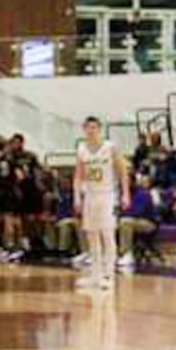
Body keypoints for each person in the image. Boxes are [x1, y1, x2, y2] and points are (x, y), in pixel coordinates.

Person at [74, 117, 130, 291]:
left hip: (107, 195)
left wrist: (125, 194)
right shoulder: (82, 148)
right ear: (84, 129)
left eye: (94, 127)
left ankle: (109, 275)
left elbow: (123, 172)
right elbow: (78, 175)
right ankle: (95, 275)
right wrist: (77, 196)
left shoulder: (110, 147)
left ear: (100, 129)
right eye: (88, 127)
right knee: (92, 235)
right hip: (90, 195)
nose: (91, 130)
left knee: (107, 234)